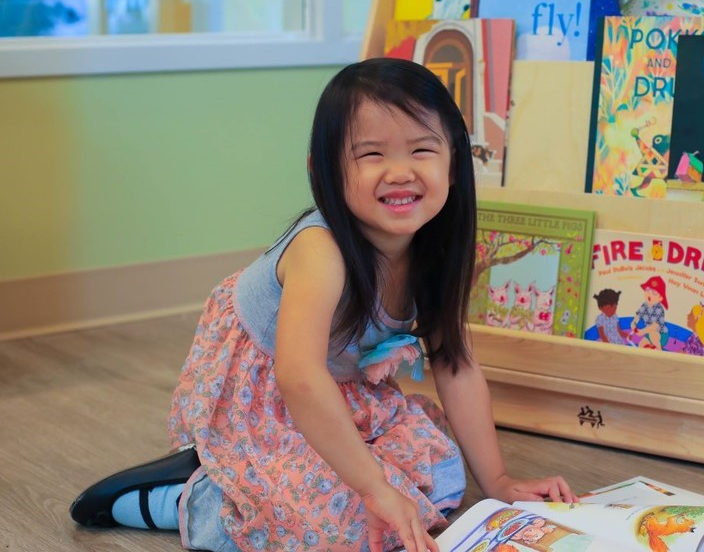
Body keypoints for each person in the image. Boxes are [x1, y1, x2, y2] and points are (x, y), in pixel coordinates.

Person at [69, 58, 575, 551]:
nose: (400, 172)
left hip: (337, 390)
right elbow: (299, 376)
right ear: (326, 171)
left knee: (440, 478)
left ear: (455, 164)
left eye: (422, 150)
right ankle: (186, 494)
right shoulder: (321, 250)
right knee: (349, 525)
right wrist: (376, 489)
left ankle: (284, 485)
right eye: (372, 155)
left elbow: (455, 367)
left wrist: (500, 482)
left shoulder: (435, 248)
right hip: (261, 395)